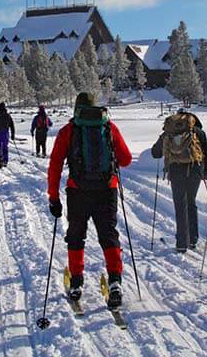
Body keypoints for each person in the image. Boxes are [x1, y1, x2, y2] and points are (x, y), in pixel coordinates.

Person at [47, 92, 132, 308]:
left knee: (76, 236)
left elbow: (55, 165)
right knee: (108, 234)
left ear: (76, 108)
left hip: (78, 191)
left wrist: (53, 197)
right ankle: (115, 281)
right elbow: (127, 159)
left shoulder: (68, 130)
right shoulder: (108, 127)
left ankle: (76, 282)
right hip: (107, 189)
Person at [150, 108, 207, 253]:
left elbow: (155, 153)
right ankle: (193, 240)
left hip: (176, 170)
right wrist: (206, 171)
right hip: (195, 170)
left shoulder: (169, 131)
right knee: (191, 202)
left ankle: (181, 243)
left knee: (180, 204)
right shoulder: (198, 132)